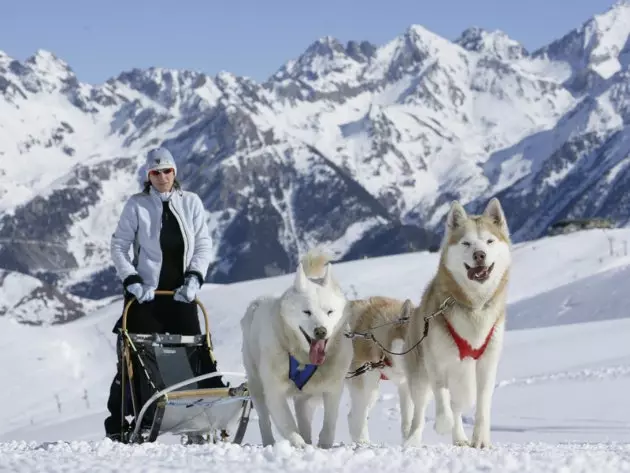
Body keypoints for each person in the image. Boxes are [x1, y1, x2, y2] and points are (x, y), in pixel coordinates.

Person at [103, 147, 214, 441]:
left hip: (180, 295)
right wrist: (133, 280)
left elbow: (203, 243)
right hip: (147, 297)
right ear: (147, 176)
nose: (162, 177)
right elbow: (119, 246)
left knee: (197, 353)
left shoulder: (191, 203)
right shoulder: (137, 205)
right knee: (133, 356)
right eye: (156, 172)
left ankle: (205, 416)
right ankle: (122, 421)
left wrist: (194, 278)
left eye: (167, 171)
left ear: (175, 172)